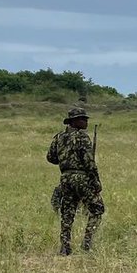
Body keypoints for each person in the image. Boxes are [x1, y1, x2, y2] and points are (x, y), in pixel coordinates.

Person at [46, 106, 104, 255]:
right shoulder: (82, 137)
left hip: (65, 178)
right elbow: (89, 162)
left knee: (67, 213)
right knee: (97, 208)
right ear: (74, 121)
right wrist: (95, 180)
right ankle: (87, 243)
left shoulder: (58, 137)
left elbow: (51, 158)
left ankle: (65, 247)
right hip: (82, 178)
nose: (86, 122)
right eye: (83, 119)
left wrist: (66, 160)